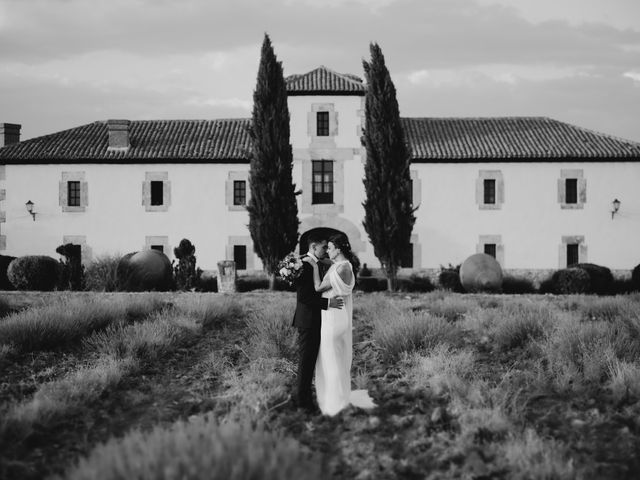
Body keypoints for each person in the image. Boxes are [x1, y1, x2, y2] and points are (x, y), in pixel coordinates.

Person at [304, 233, 376, 416]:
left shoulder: (340, 269)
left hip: (333, 319)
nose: (327, 250)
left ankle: (334, 404)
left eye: (330, 247)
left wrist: (313, 266)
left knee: (331, 361)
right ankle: (339, 398)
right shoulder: (343, 266)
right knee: (336, 359)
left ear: (339, 248)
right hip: (338, 316)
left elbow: (318, 287)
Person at [292, 233, 344, 413]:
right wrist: (328, 303)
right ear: (314, 247)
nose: (325, 251)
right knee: (306, 362)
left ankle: (303, 398)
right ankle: (301, 402)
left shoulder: (317, 264)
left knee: (310, 361)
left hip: (316, 320)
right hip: (308, 320)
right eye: (323, 248)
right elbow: (305, 297)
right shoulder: (305, 265)